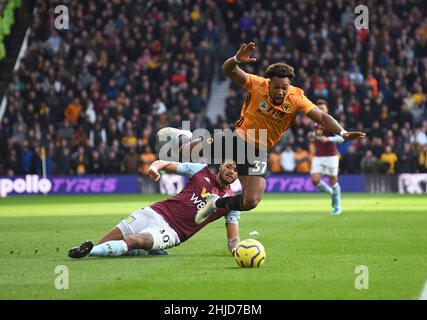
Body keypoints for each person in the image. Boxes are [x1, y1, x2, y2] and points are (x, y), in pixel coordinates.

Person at [162, 42, 365, 224]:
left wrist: (343, 132)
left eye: (284, 88)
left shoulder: (297, 98)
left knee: (251, 201)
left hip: (258, 151)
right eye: (276, 87)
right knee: (181, 152)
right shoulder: (257, 84)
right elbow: (228, 70)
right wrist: (235, 60)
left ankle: (216, 204)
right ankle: (187, 137)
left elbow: (321, 117)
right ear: (269, 83)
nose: (280, 92)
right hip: (236, 138)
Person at [68, 159, 241, 259]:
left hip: (172, 232)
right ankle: (98, 249)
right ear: (221, 166)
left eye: (235, 170)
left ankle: (91, 250)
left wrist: (237, 250)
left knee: (136, 240)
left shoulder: (232, 202)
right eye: (228, 166)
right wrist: (154, 167)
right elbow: (164, 164)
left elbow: (233, 238)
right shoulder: (200, 171)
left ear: (239, 175)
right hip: (155, 211)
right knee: (105, 242)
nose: (231, 171)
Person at [309, 100, 345, 215]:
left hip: (331, 155)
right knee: (315, 180)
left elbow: (342, 138)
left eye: (322, 108)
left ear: (327, 110)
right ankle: (331, 192)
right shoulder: (316, 123)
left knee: (333, 180)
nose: (320, 110)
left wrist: (328, 139)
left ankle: (337, 206)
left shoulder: (331, 123)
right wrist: (313, 136)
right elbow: (319, 136)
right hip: (318, 155)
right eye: (318, 108)